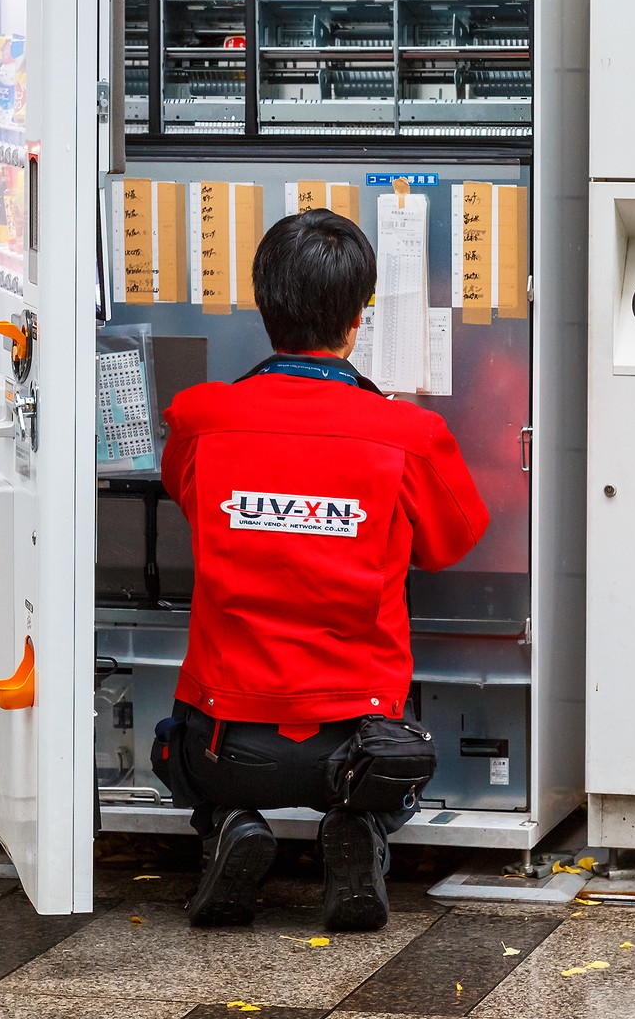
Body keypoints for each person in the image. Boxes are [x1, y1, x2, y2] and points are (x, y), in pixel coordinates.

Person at [153, 207, 488, 931]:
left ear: (263, 306)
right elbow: (452, 542)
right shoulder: (410, 435)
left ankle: (229, 824)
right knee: (383, 770)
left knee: (181, 752)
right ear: (359, 319)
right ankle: (360, 833)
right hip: (363, 750)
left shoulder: (201, 417)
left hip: (225, 740)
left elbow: (187, 495)